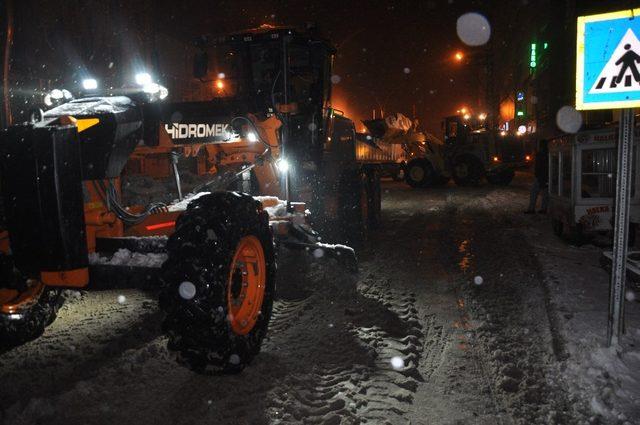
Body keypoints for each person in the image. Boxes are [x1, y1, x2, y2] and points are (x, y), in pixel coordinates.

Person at [525, 139, 549, 214]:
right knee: (545, 193)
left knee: (534, 192)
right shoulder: (547, 154)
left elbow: (539, 167)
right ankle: (543, 208)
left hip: (540, 176)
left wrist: (537, 175)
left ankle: (531, 209)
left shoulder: (540, 154)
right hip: (545, 176)